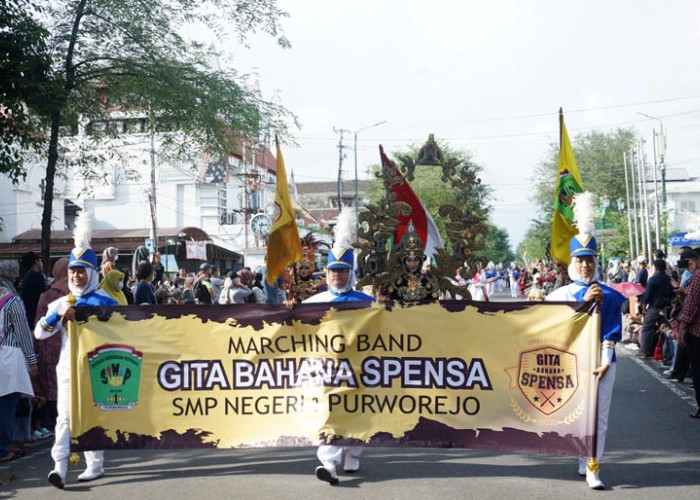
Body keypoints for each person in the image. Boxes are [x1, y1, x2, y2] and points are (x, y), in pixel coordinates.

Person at [546, 192, 626, 490]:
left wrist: (605, 362)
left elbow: (611, 332)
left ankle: (592, 465)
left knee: (599, 417)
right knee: (573, 413)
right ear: (573, 264)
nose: (585, 267)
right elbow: (547, 321)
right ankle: (577, 453)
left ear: (596, 263)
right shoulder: (561, 295)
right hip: (570, 362)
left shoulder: (609, 294)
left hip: (601, 363)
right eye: (580, 261)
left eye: (589, 261)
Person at [34, 211, 118, 488]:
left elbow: (118, 328)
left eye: (82, 270)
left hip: (100, 368)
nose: (77, 275)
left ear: (92, 272)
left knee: (94, 414)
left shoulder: (104, 299)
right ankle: (59, 466)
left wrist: (87, 315)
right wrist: (57, 316)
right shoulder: (61, 302)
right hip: (68, 368)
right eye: (73, 270)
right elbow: (40, 332)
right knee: (65, 417)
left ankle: (94, 465)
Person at [302, 208, 374, 485]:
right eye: (333, 271)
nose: (336, 276)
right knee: (329, 411)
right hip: (326, 370)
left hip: (356, 368)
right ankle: (329, 463)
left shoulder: (365, 302)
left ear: (350, 274)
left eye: (342, 272)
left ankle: (353, 453)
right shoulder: (314, 302)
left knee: (356, 410)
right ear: (327, 272)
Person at [0, 260, 38, 463]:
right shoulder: (12, 301)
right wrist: (32, 361)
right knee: (7, 404)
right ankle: (3, 448)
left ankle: (7, 443)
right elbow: (23, 333)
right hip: (8, 357)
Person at [33, 258, 71, 437]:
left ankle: (53, 424)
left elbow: (38, 324)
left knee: (50, 387)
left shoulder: (47, 296)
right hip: (69, 346)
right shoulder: (75, 294)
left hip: (48, 347)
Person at [382, 222, 439, 304]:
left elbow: (434, 306)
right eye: (409, 260)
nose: (412, 264)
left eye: (415, 260)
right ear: (404, 261)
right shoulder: (397, 281)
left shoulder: (427, 281)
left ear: (421, 261)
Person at [678, 248, 700, 419]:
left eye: (691, 263)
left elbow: (691, 307)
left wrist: (682, 329)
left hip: (696, 332)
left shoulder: (697, 277)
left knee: (698, 371)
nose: (690, 267)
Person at [638, 259, 675, 358]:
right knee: (665, 329)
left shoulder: (653, 279)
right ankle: (666, 353)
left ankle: (645, 351)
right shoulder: (669, 279)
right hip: (667, 307)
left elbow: (648, 295)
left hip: (655, 307)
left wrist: (643, 305)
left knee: (647, 328)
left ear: (656, 268)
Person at [19, 251, 47, 328]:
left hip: (27, 317)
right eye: (40, 261)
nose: (41, 263)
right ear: (36, 262)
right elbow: (43, 296)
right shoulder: (37, 276)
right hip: (35, 319)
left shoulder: (28, 276)